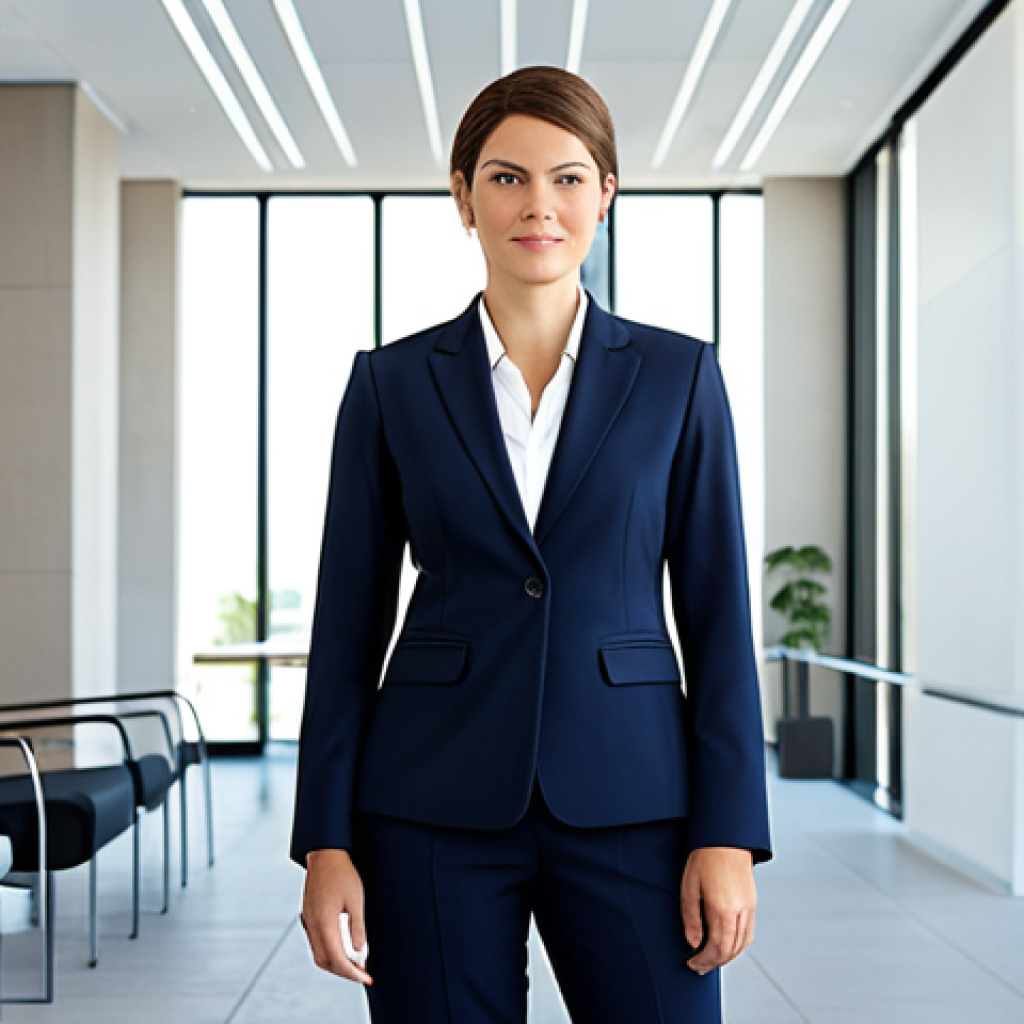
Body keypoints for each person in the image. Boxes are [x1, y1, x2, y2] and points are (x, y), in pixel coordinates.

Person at [290, 65, 772, 1024]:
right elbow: (347, 621)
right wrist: (325, 841)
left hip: (637, 796)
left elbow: (718, 614)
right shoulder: (390, 385)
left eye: (567, 176)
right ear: (464, 197)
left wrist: (729, 832)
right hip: (431, 798)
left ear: (606, 195)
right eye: (506, 177)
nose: (537, 205)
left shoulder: (681, 377)